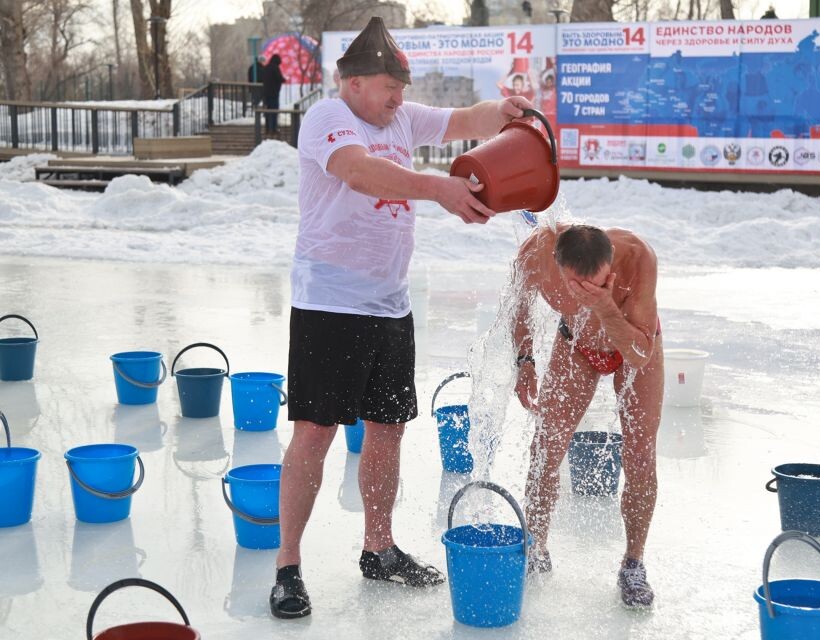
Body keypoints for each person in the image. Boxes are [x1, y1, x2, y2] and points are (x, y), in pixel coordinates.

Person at [270, 16, 534, 620]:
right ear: (354, 82)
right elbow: (359, 172)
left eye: (401, 86)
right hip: (329, 303)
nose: (398, 98)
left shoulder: (402, 117)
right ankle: (288, 564)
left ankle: (379, 547)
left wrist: (505, 110)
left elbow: (464, 120)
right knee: (316, 431)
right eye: (390, 86)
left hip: (391, 306)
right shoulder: (328, 119)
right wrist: (438, 188)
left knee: (389, 427)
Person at [511, 224, 664, 608]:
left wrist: (605, 305)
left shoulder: (638, 257)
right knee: (545, 447)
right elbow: (518, 303)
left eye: (599, 283)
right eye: (579, 287)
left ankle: (633, 562)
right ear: (559, 268)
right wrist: (525, 359)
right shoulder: (537, 253)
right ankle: (536, 548)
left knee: (641, 456)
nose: (588, 292)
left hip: (634, 342)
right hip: (576, 345)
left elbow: (640, 354)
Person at [262, 54, 286, 133]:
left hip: (266, 93)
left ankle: (267, 128)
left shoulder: (266, 67)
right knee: (274, 111)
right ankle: (273, 129)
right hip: (274, 93)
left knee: (268, 111)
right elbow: (279, 78)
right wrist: (284, 79)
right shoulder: (275, 68)